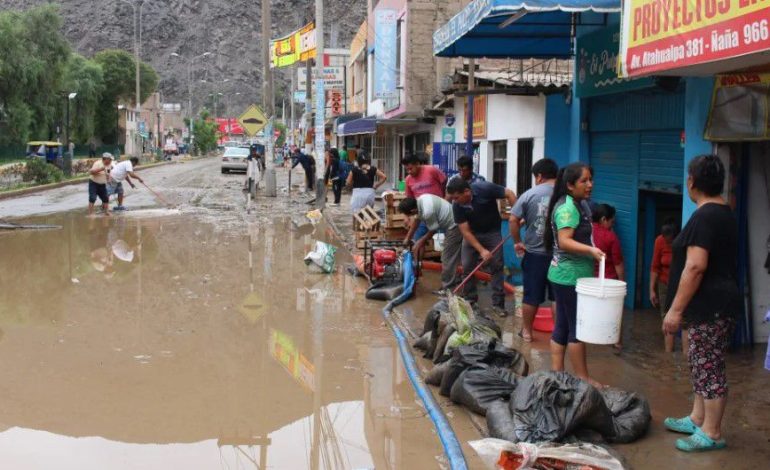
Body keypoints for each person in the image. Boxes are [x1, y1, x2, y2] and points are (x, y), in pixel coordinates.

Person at [662, 155, 740, 453]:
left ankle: (712, 431)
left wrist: (676, 310)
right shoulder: (722, 212)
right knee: (700, 361)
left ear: (691, 181)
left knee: (709, 367)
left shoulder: (706, 216)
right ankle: (698, 417)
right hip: (713, 305)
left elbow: (695, 267)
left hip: (712, 306)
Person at [544, 162, 604, 386]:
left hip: (565, 275)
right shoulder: (568, 208)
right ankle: (582, 377)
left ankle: (557, 374)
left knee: (563, 324)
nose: (590, 184)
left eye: (591, 179)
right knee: (576, 327)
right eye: (584, 181)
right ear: (570, 185)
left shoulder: (579, 204)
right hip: (569, 277)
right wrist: (591, 250)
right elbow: (565, 241)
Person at [446, 178, 517, 317]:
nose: (455, 201)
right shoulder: (457, 206)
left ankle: (498, 305)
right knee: (467, 267)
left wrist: (517, 214)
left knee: (496, 266)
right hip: (472, 235)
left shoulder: (485, 189)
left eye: (457, 197)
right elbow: (465, 231)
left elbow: (509, 193)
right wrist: (482, 250)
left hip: (492, 233)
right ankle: (470, 302)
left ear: (467, 191)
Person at [509, 158, 558, 342]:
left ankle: (527, 333)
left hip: (535, 255)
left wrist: (517, 242)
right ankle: (558, 334)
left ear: (539, 176)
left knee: (531, 296)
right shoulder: (566, 195)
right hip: (560, 256)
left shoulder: (529, 195)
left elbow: (513, 220)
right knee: (557, 297)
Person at [399, 195, 462, 295]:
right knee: (453, 256)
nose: (410, 217)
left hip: (454, 226)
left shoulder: (428, 211)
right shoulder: (420, 201)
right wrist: (408, 237)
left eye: (409, 215)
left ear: (413, 210)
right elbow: (416, 220)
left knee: (447, 258)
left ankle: (447, 289)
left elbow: (433, 229)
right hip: (449, 222)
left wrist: (420, 242)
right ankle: (457, 280)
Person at [651, 218, 685, 353]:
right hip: (664, 284)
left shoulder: (683, 243)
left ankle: (685, 356)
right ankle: (668, 355)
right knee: (666, 318)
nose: (666, 241)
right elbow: (655, 266)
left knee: (685, 320)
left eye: (669, 239)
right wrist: (651, 290)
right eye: (664, 238)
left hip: (681, 285)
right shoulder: (659, 241)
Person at [403, 152, 448, 243]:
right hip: (423, 213)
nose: (409, 172)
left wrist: (443, 197)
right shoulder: (408, 180)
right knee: (418, 239)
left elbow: (444, 181)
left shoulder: (431, 170)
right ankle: (417, 257)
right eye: (407, 170)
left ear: (417, 164)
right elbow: (410, 199)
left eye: (411, 168)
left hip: (439, 211)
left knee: (442, 239)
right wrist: (407, 217)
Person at [592, 204, 625, 281]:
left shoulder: (586, 231)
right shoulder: (610, 237)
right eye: (612, 222)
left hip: (590, 279)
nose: (612, 226)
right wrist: (622, 282)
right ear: (603, 219)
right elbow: (618, 263)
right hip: (609, 280)